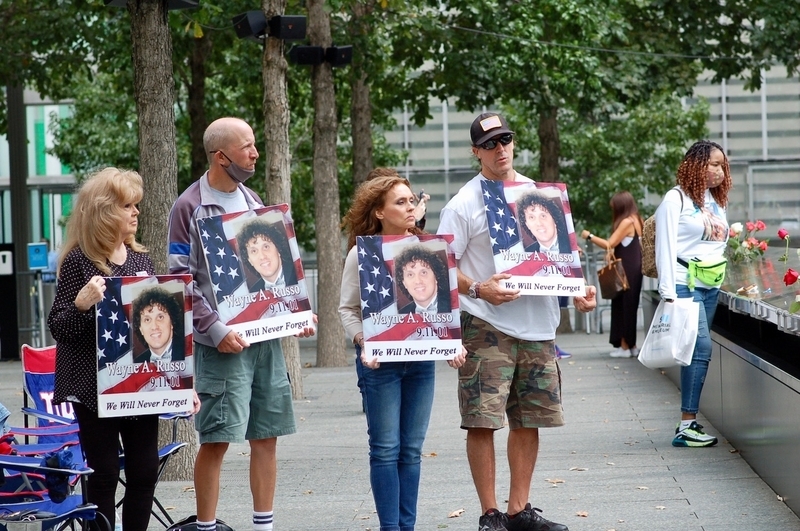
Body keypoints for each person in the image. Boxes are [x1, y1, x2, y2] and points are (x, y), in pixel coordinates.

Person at [437, 112, 597, 531]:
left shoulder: (540, 196)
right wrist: (478, 290)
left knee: (529, 420)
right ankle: (490, 514)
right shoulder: (463, 204)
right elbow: (443, 267)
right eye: (490, 144)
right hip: (486, 324)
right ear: (476, 152)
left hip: (539, 327)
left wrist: (580, 292)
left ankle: (518, 510)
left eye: (505, 140)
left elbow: (561, 260)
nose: (500, 149)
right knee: (482, 420)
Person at [167, 117, 315, 531]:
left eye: (254, 145)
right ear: (221, 156)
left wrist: (295, 316)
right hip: (221, 348)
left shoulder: (254, 202)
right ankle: (207, 526)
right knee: (216, 439)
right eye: (247, 147)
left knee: (265, 436)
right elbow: (181, 281)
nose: (254, 154)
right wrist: (216, 330)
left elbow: (274, 277)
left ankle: (263, 526)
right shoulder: (188, 207)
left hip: (264, 343)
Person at [47, 167, 200, 531]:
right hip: (92, 388)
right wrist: (83, 304)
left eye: (136, 205)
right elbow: (59, 327)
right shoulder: (77, 262)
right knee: (103, 475)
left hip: (138, 385)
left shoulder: (140, 260)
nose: (136, 213)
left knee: (145, 471)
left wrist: (182, 387)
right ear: (104, 212)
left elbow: (159, 328)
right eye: (127, 206)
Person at [339, 172, 466, 531]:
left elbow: (442, 310)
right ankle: (390, 528)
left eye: (411, 200)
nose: (410, 207)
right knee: (385, 449)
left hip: (421, 364)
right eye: (400, 202)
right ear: (379, 212)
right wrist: (365, 340)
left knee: (410, 450)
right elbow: (347, 310)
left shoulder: (431, 249)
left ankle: (406, 527)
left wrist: (451, 347)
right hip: (379, 366)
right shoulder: (361, 254)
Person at [655, 140, 730, 448]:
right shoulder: (676, 199)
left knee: (693, 352)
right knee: (701, 348)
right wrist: (667, 292)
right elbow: (665, 246)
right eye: (713, 164)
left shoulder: (717, 201)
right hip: (684, 283)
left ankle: (688, 421)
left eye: (723, 165)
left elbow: (718, 243)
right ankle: (687, 425)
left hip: (710, 284)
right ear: (696, 165)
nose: (719, 170)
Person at [580, 191, 644, 358]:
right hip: (634, 268)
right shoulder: (637, 219)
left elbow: (609, 243)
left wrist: (589, 236)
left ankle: (624, 346)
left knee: (623, 306)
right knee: (630, 306)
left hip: (626, 270)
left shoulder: (626, 222)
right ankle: (631, 345)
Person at [236, 218, 298, 292]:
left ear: (278, 249)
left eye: (266, 247)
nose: (262, 256)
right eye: (254, 251)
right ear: (249, 260)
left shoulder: (298, 276)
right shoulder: (252, 294)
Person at [132, 287, 185, 364]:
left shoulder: (188, 354)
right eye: (147, 320)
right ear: (141, 329)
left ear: (172, 322)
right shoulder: (136, 363)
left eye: (160, 317)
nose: (154, 326)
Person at [394, 244, 452, 314]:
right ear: (404, 283)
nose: (418, 281)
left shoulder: (454, 307)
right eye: (410, 274)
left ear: (436, 276)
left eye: (423, 272)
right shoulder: (400, 314)